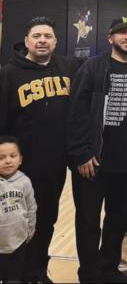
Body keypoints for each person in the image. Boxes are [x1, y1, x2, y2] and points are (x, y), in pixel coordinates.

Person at [67, 17, 127, 284]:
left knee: (117, 220)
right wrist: (81, 152)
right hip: (93, 161)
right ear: (110, 38)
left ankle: (108, 268)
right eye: (121, 33)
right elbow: (76, 112)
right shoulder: (93, 67)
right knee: (88, 221)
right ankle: (89, 274)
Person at [0, 16, 81, 282]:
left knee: (47, 220)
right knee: (16, 223)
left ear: (56, 41)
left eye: (47, 36)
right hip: (20, 168)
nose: (42, 40)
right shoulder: (9, 73)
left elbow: (102, 66)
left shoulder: (68, 66)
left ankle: (37, 271)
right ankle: (16, 273)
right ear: (26, 41)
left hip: (55, 165)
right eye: (37, 36)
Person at [0, 136, 37, 284]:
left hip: (18, 242)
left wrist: (29, 231)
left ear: (20, 159)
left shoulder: (25, 182)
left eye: (12, 156)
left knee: (14, 278)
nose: (8, 161)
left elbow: (31, 208)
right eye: (1, 157)